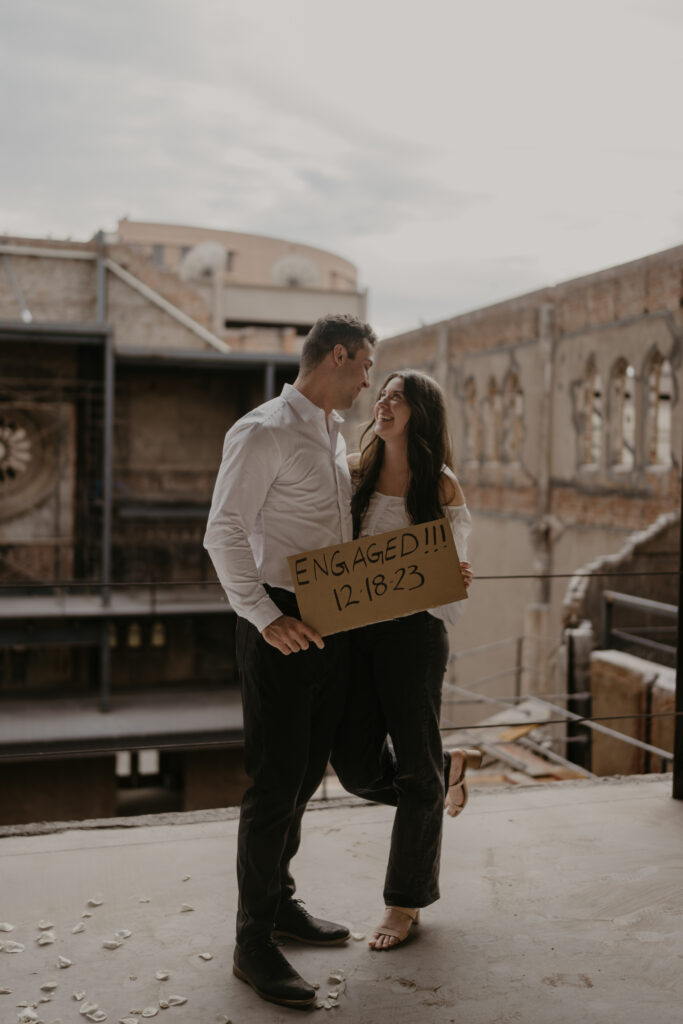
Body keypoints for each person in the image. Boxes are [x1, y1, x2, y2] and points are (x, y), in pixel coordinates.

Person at [204, 313, 377, 1009]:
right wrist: (266, 617)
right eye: (365, 365)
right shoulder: (264, 429)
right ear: (339, 355)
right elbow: (221, 533)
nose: (368, 378)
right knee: (275, 782)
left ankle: (279, 902)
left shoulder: (331, 436)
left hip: (328, 618)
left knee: (308, 773)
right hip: (279, 618)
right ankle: (252, 943)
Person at [331, 369, 478, 951]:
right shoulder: (353, 470)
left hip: (415, 639)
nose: (383, 402)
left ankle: (403, 903)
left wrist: (456, 574)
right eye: (383, 393)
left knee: (417, 775)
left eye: (398, 397)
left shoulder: (440, 484)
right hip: (356, 637)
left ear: (421, 413)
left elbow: (451, 568)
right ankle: (448, 768)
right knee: (356, 768)